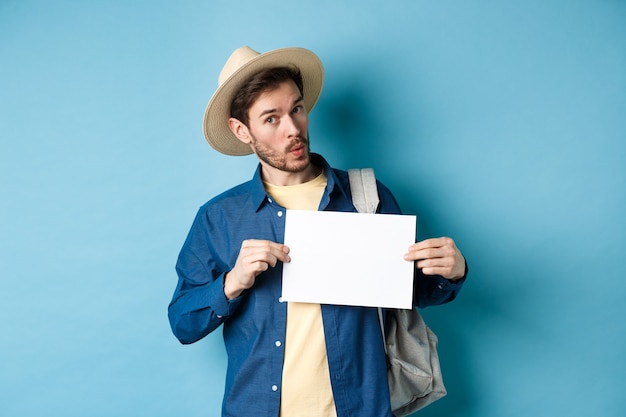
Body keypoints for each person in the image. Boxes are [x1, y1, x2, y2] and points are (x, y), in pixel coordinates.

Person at [168, 46, 467, 417]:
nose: (293, 129)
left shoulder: (366, 197)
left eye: (296, 109)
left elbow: (410, 291)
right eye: (271, 119)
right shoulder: (219, 218)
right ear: (241, 130)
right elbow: (183, 323)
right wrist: (232, 282)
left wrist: (452, 272)